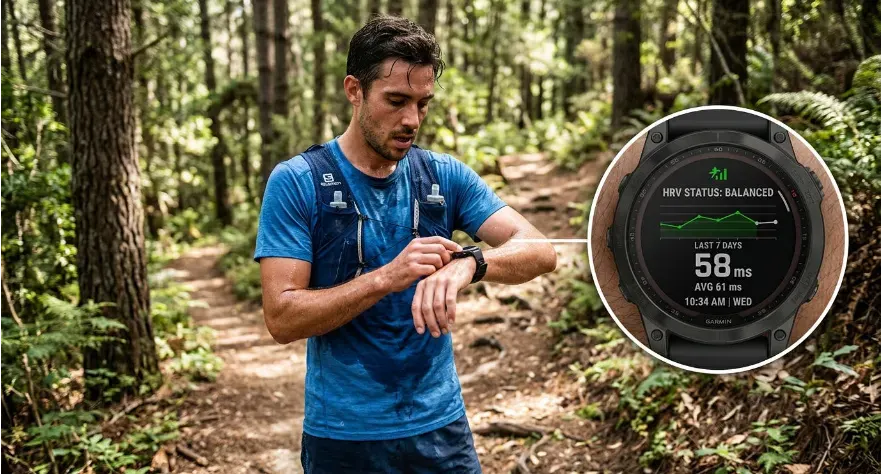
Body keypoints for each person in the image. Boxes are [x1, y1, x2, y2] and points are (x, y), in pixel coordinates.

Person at [254, 15, 557, 473]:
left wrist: (470, 264)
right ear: (354, 90)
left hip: (441, 428)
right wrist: (385, 278)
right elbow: (281, 318)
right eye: (396, 101)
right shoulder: (299, 181)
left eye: (423, 103)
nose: (412, 120)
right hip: (343, 436)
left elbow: (539, 249)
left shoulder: (443, 175)